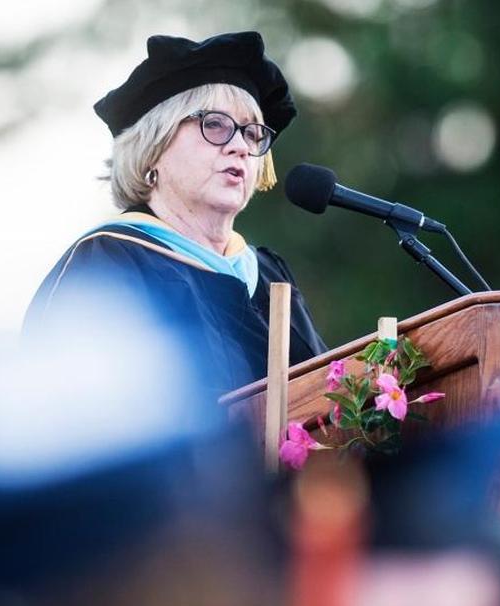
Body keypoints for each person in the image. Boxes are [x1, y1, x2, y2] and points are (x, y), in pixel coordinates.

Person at [24, 32, 326, 397]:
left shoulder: (268, 273)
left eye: (251, 133)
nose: (240, 147)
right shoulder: (109, 263)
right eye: (215, 124)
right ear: (153, 147)